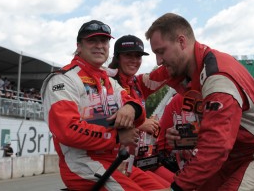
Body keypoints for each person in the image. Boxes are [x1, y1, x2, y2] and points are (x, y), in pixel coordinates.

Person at [145, 12, 254, 191]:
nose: (158, 61)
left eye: (161, 51)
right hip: (235, 153)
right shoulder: (185, 66)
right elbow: (139, 83)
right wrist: (188, 136)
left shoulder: (218, 76)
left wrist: (176, 188)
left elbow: (217, 144)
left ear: (182, 42)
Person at [41, 20, 165, 191]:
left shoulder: (107, 81)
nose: (99, 46)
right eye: (92, 40)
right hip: (81, 165)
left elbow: (137, 108)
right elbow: (67, 130)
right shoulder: (63, 79)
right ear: (79, 46)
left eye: (104, 41)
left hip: (115, 162)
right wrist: (116, 137)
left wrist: (131, 108)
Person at [108, 34, 174, 186]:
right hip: (116, 161)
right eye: (128, 55)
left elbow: (167, 72)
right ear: (117, 57)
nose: (134, 60)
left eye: (138, 56)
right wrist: (140, 123)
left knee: (179, 185)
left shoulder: (138, 82)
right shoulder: (105, 81)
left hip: (142, 160)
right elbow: (101, 120)